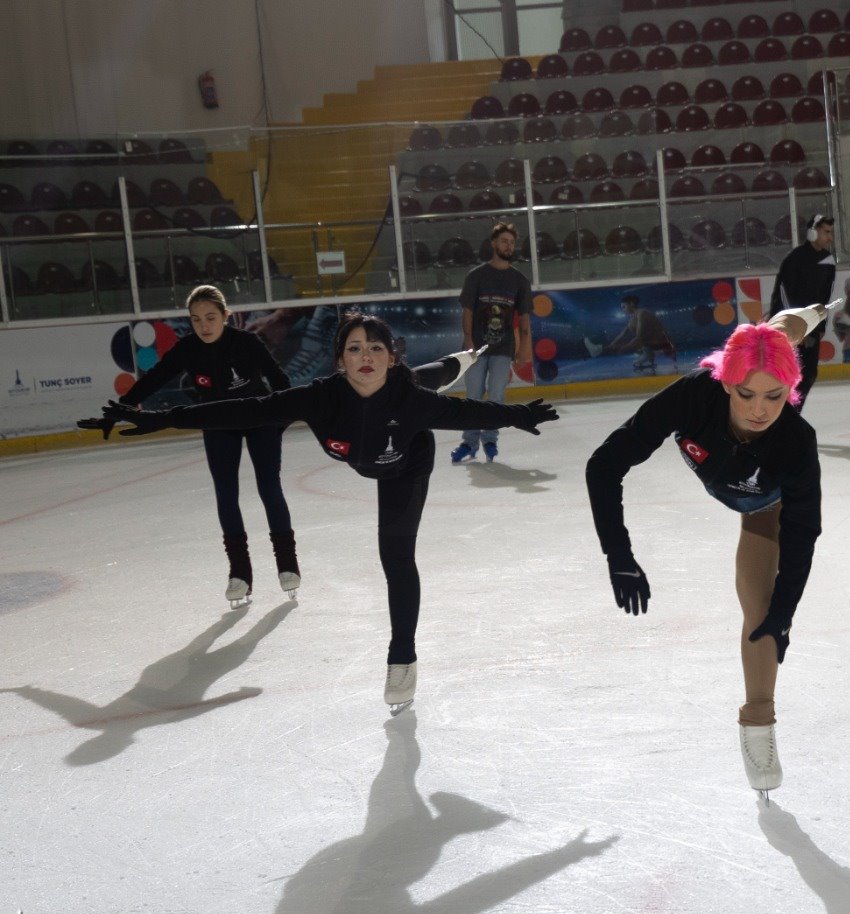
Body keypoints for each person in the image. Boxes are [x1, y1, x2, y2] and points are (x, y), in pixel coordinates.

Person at [96, 314, 559, 714]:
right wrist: (163, 417)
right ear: (340, 359)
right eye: (354, 348)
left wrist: (519, 416)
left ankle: (402, 658)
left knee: (396, 557)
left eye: (376, 348)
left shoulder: (412, 401)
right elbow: (249, 409)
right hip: (378, 430)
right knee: (427, 377)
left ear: (390, 355)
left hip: (405, 463)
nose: (365, 355)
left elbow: (471, 414)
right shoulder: (322, 397)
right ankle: (465, 357)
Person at [586, 310, 825, 797]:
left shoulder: (797, 441)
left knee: (760, 611)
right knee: (776, 333)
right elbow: (604, 465)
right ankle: (806, 314)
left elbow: (804, 533)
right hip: (726, 455)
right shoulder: (693, 395)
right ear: (725, 384)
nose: (759, 410)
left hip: (765, 507)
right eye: (746, 395)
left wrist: (784, 611)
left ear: (791, 393)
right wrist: (619, 553)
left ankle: (759, 723)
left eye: (775, 397)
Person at [85, 285, 298, 607]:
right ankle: (239, 573)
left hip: (260, 421)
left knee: (269, 488)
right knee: (226, 495)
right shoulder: (188, 349)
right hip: (216, 424)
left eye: (211, 317)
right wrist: (119, 410)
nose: (204, 325)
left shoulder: (247, 342)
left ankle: (287, 565)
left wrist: (276, 426)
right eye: (196, 319)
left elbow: (282, 385)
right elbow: (153, 379)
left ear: (227, 317)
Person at [451, 222, 533, 464]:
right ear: (493, 244)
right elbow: (467, 310)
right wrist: (468, 339)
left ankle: (490, 440)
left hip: (503, 348)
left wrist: (524, 347)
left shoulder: (519, 280)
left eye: (512, 242)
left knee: (496, 396)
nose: (508, 246)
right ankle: (469, 443)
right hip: (476, 348)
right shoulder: (476, 276)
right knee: (473, 396)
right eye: (504, 241)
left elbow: (525, 317)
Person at [768, 214, 836, 409]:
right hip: (789, 327)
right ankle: (779, 414)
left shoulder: (828, 261)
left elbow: (825, 297)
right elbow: (784, 294)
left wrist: (820, 324)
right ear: (812, 232)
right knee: (785, 374)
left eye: (831, 233)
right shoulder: (795, 259)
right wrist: (796, 327)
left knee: (809, 374)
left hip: (811, 326)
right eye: (826, 232)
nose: (830, 238)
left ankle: (791, 415)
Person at [602, 294, 678, 374]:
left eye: (624, 307)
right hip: (649, 345)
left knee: (638, 355)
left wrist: (624, 348)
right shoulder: (633, 318)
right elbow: (623, 333)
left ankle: (655, 354)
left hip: (661, 343)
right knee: (637, 360)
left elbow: (639, 336)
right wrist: (611, 344)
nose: (623, 310)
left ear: (631, 304)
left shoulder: (642, 313)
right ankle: (649, 356)